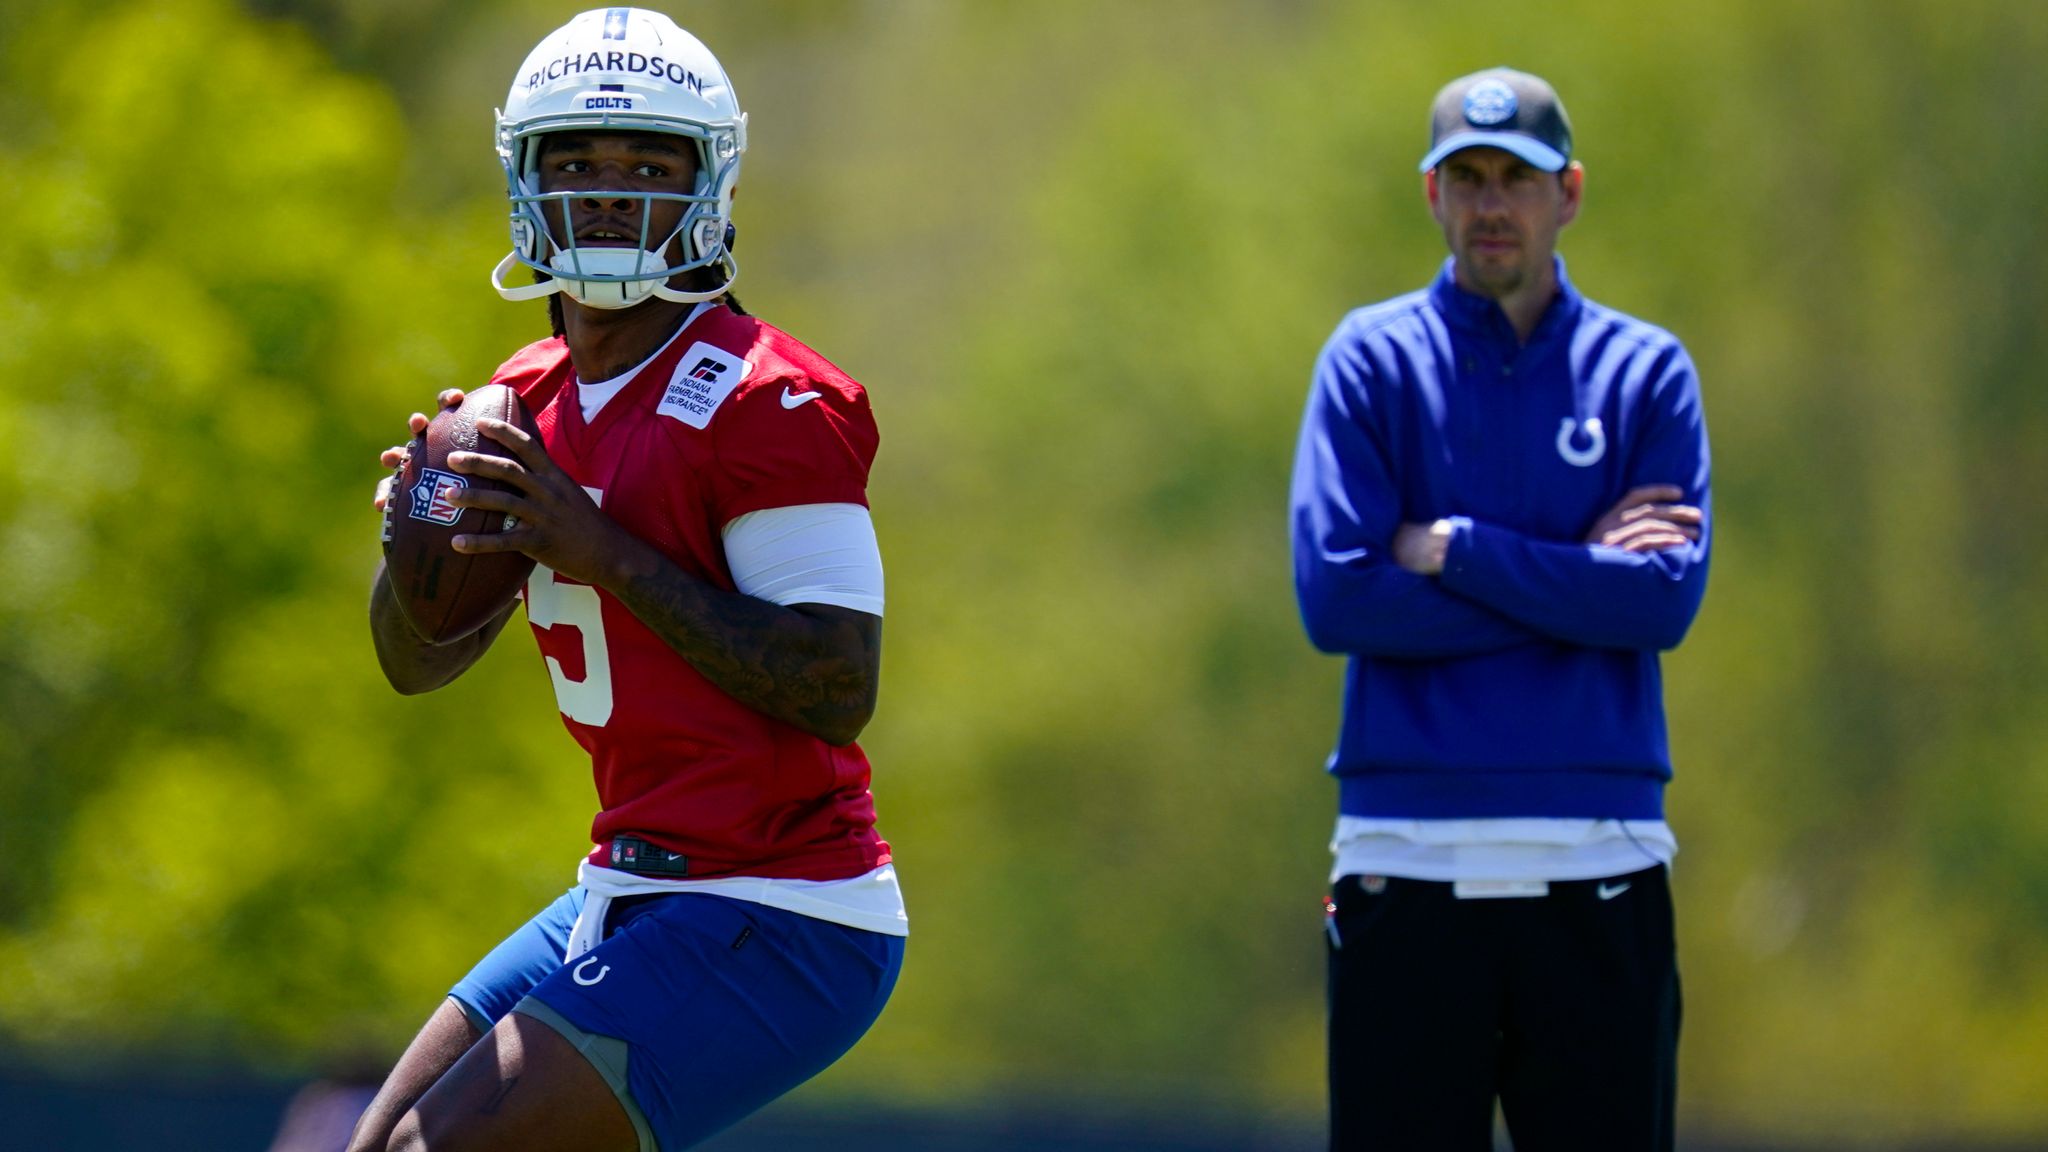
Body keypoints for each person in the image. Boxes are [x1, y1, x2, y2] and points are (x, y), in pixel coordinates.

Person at [352, 10, 905, 1151]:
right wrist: (416, 547)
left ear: (709, 183)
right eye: (576, 164)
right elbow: (413, 666)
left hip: (782, 903)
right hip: (626, 881)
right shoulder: (522, 396)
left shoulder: (768, 399)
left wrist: (592, 545)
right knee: (374, 1144)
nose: (607, 193)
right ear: (524, 179)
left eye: (648, 166)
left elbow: (834, 681)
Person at [1289, 67, 1711, 1151]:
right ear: (1430, 194)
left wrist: (1459, 553)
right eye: (1464, 177)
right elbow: (1337, 599)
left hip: (1599, 853)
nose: (1489, 204)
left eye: (1514, 178)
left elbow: (1660, 602)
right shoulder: (1368, 362)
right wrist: (1576, 581)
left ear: (1565, 192)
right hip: (1405, 852)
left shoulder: (1644, 372)